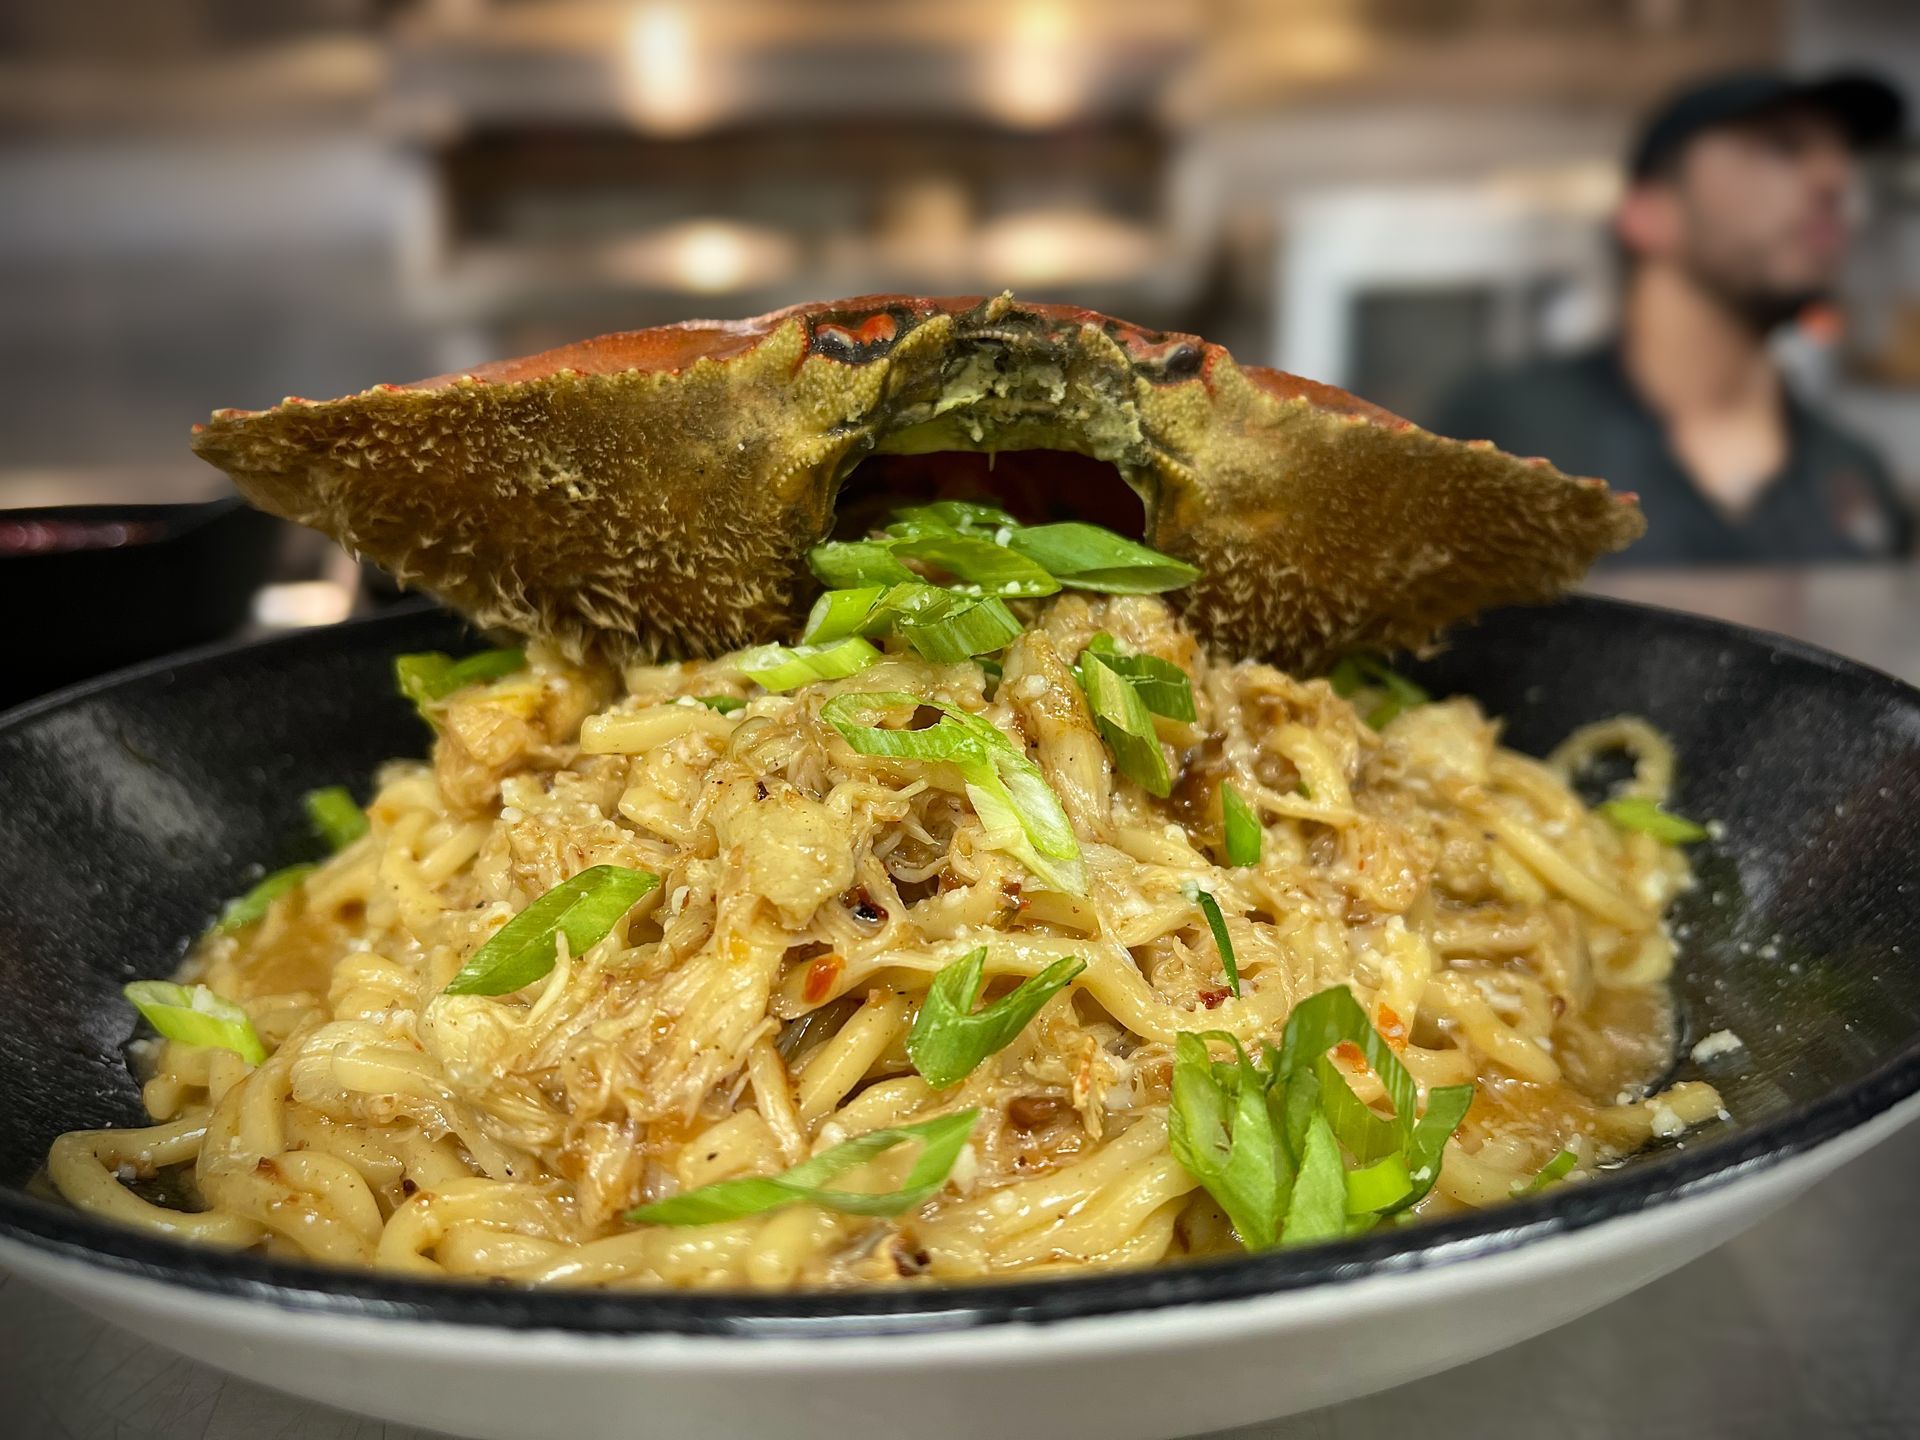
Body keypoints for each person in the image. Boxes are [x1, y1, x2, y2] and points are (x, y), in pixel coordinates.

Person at [1435, 70, 1912, 565]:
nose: (1835, 180)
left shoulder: (1855, 474)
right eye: (1784, 147)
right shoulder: (1503, 433)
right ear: (1648, 214)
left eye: (1844, 157)